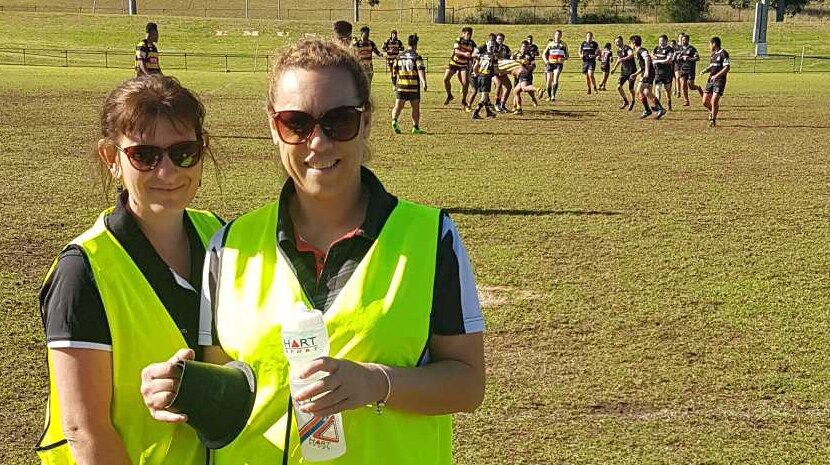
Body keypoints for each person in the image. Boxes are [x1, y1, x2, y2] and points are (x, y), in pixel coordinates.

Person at [140, 38, 486, 465]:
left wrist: (376, 383)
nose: (318, 143)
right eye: (296, 123)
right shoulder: (228, 246)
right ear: (273, 126)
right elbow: (230, 383)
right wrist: (184, 388)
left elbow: (468, 384)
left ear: (366, 121)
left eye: (339, 121)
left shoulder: (432, 237)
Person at [35, 75, 223, 464]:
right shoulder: (83, 270)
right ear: (112, 159)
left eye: (183, 152)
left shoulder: (219, 237)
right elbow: (83, 430)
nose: (167, 172)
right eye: (145, 156)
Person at [391, 34, 428, 135]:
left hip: (401, 85)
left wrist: (395, 82)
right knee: (415, 107)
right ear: (416, 45)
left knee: (398, 106)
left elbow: (394, 71)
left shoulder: (399, 56)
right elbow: (420, 69)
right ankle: (415, 128)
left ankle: (394, 120)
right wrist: (424, 82)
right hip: (413, 86)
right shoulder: (416, 56)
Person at [631, 35, 666, 119]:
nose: (630, 45)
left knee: (639, 91)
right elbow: (643, 66)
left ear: (634, 43)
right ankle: (660, 109)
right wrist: (636, 74)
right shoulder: (639, 51)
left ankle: (647, 110)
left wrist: (646, 71)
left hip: (648, 72)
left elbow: (647, 58)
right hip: (650, 72)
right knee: (647, 92)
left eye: (631, 43)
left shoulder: (641, 50)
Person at [443, 27, 476, 110]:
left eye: (471, 34)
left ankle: (464, 100)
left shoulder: (472, 43)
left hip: (463, 65)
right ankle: (449, 95)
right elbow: (456, 51)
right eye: (468, 34)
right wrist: (465, 54)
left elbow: (475, 53)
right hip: (454, 63)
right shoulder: (459, 40)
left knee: (465, 83)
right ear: (463, 34)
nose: (469, 35)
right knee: (446, 79)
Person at [700, 36, 730, 127]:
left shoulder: (724, 53)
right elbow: (712, 66)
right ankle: (712, 111)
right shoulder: (713, 54)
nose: (709, 46)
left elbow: (727, 67)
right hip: (711, 80)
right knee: (705, 102)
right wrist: (705, 70)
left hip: (719, 80)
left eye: (709, 44)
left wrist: (716, 75)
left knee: (714, 101)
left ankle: (713, 120)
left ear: (714, 44)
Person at [508, 40, 538, 115]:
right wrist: (512, 59)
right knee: (516, 91)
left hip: (526, 75)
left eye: (526, 47)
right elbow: (511, 60)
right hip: (517, 75)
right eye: (523, 47)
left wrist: (526, 66)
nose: (524, 48)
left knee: (526, 90)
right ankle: (516, 107)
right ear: (521, 47)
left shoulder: (529, 56)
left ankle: (533, 97)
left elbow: (533, 66)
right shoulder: (516, 53)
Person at [471, 39, 498, 120]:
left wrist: (475, 73)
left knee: (486, 96)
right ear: (487, 44)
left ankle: (488, 112)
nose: (492, 47)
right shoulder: (494, 56)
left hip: (480, 77)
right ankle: (476, 112)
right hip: (486, 78)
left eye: (492, 45)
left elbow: (475, 64)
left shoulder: (481, 55)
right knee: (483, 97)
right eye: (491, 45)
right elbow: (496, 70)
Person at [610, 35, 637, 111]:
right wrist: (614, 68)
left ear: (622, 41)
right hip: (624, 72)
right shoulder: (619, 51)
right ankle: (626, 101)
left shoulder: (627, 48)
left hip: (631, 71)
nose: (617, 43)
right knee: (618, 86)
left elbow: (631, 55)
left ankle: (633, 101)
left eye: (618, 41)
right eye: (615, 42)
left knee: (631, 89)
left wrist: (624, 58)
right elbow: (619, 59)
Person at [541, 30, 568, 102]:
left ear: (561, 36)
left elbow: (567, 56)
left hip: (558, 64)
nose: (558, 36)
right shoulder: (550, 44)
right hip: (550, 64)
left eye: (559, 34)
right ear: (554, 35)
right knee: (549, 81)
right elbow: (543, 54)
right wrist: (546, 61)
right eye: (556, 34)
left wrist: (563, 58)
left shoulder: (564, 44)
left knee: (555, 79)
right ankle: (549, 96)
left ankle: (553, 95)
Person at [676, 33, 701, 107]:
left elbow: (697, 58)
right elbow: (677, 58)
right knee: (683, 84)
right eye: (682, 40)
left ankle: (698, 88)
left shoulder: (692, 49)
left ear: (688, 40)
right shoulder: (679, 49)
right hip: (683, 69)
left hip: (690, 69)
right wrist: (678, 58)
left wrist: (688, 58)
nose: (683, 41)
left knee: (691, 86)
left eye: (684, 40)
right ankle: (686, 101)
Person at [652, 34, 675, 111]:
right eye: (659, 41)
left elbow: (668, 60)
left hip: (667, 73)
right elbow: (652, 54)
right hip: (658, 72)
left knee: (667, 90)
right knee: (657, 88)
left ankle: (669, 104)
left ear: (666, 41)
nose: (660, 42)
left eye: (662, 41)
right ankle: (657, 105)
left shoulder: (670, 49)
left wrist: (657, 60)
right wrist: (655, 58)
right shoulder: (657, 48)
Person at [493, 32, 512, 112]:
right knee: (498, 84)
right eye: (499, 39)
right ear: (496, 39)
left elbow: (509, 57)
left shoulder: (506, 48)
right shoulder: (493, 47)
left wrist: (511, 57)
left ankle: (502, 104)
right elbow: (493, 57)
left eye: (502, 39)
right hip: (493, 70)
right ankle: (496, 104)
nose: (500, 40)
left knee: (509, 86)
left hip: (502, 70)